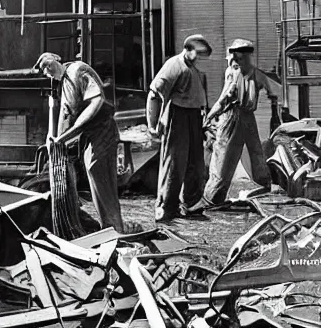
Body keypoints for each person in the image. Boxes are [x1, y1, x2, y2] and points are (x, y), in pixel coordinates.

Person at [33, 52, 124, 233]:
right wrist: (54, 139)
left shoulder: (77, 70)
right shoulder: (63, 84)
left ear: (57, 59)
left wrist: (70, 133)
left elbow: (96, 101)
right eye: (43, 69)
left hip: (102, 129)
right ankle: (108, 228)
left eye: (48, 63)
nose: (46, 69)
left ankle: (115, 230)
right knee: (93, 173)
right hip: (88, 135)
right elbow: (64, 116)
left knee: (99, 171)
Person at [189, 39, 279, 211]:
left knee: (223, 158)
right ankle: (266, 188)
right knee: (256, 155)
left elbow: (225, 99)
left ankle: (212, 198)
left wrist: (210, 115)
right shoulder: (254, 72)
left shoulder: (232, 72)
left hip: (232, 117)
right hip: (248, 117)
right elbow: (273, 90)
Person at [146, 34, 212, 222]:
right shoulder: (174, 65)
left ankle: (191, 204)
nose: (200, 59)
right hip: (177, 116)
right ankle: (166, 208)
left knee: (196, 163)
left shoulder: (193, 68)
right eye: (198, 54)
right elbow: (154, 94)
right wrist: (152, 124)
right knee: (174, 163)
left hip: (193, 117)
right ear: (188, 49)